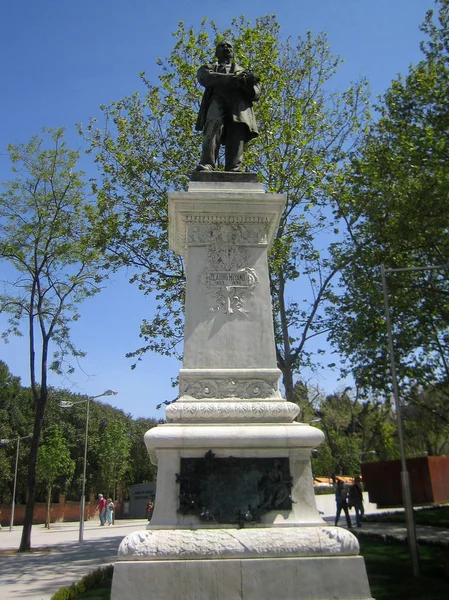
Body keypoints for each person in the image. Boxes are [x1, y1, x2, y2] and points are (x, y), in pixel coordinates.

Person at [195, 39, 260, 172]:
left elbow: (256, 93)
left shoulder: (243, 71)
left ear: (233, 52)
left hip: (239, 106)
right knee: (213, 125)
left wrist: (247, 82)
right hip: (217, 100)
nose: (226, 48)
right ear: (216, 52)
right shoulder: (209, 67)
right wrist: (232, 79)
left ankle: (234, 168)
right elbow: (205, 78)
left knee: (237, 133)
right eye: (222, 46)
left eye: (229, 46)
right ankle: (208, 164)